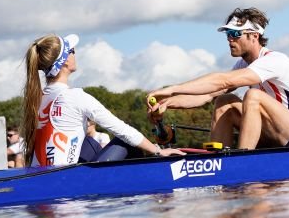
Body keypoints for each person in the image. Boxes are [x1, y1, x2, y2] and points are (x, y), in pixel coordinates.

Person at [148, 7, 289, 149]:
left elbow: (223, 80)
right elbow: (207, 94)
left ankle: (241, 160)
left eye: (235, 33)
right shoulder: (243, 65)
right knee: (224, 101)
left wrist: (172, 88)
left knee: (254, 96)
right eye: (227, 34)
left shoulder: (274, 60)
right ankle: (218, 162)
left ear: (254, 36)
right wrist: (167, 102)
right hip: (275, 133)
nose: (230, 39)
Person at [21, 34, 184, 167]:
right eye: (72, 51)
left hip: (42, 176)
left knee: (89, 142)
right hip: (66, 181)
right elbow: (122, 130)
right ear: (65, 61)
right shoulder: (76, 96)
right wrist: (158, 151)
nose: (75, 54)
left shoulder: (37, 99)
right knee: (126, 141)